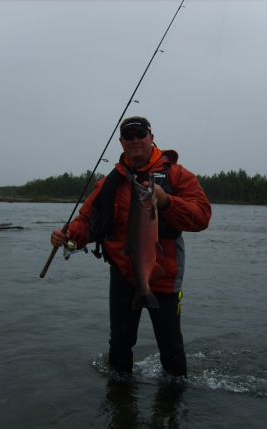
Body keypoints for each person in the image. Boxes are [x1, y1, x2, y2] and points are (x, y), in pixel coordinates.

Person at [51, 116, 212, 377]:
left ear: (151, 137)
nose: (135, 140)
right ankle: (120, 401)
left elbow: (202, 216)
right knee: (119, 348)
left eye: (140, 134)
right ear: (121, 142)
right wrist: (68, 235)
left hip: (165, 277)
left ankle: (174, 399)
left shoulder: (177, 175)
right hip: (124, 275)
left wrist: (167, 201)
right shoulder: (109, 183)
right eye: (129, 136)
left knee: (171, 349)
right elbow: (87, 222)